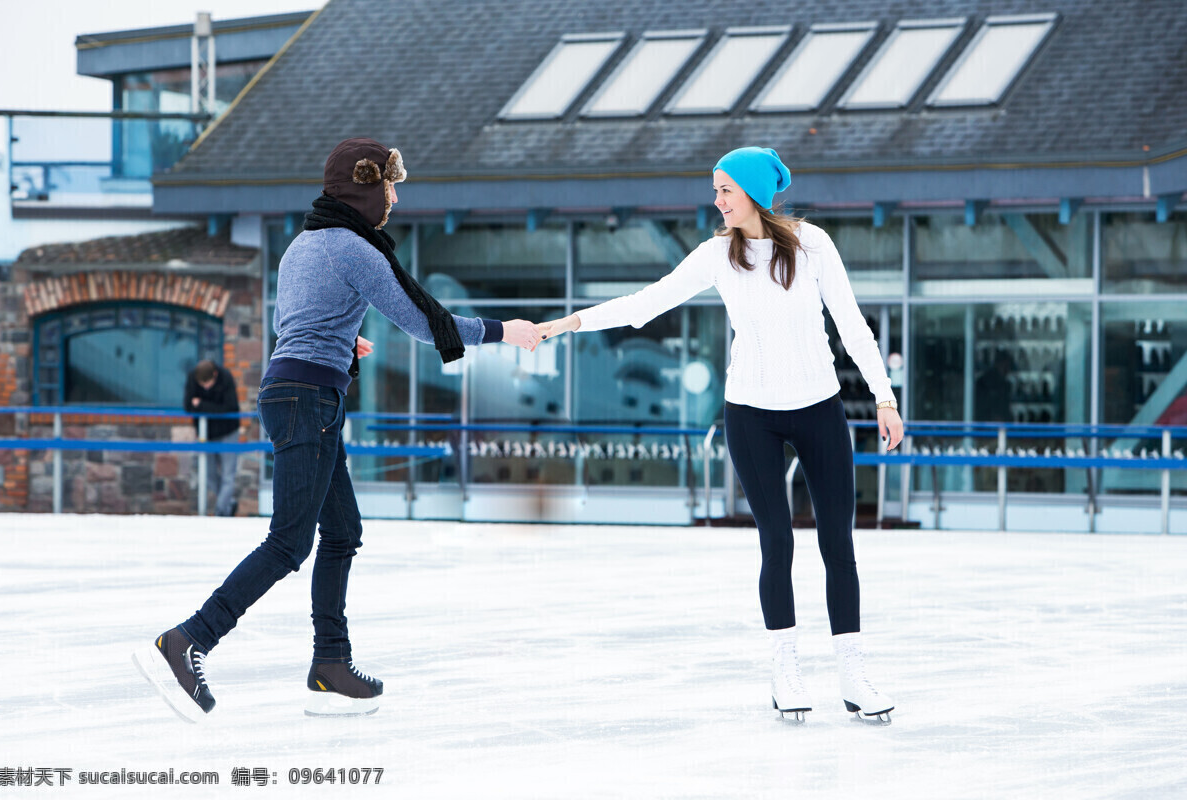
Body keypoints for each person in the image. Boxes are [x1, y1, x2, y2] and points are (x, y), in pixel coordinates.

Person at [134, 138, 541, 722]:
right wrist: (508, 332)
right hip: (308, 400)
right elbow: (428, 324)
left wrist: (343, 343)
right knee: (289, 542)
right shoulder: (355, 250)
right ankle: (189, 639)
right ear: (364, 186)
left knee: (343, 530)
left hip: (299, 392)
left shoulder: (302, 244)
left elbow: (296, 322)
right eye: (390, 187)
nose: (395, 199)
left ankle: (330, 664)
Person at [538, 147, 904, 724]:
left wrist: (884, 396)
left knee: (838, 542)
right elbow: (646, 303)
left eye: (725, 190)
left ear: (754, 192)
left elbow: (852, 325)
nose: (716, 200)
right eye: (716, 189)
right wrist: (570, 322)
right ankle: (786, 668)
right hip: (750, 413)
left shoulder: (813, 246)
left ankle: (853, 672)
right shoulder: (717, 255)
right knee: (777, 542)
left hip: (819, 407)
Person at [184, 359, 241, 516]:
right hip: (205, 434)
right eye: (202, 385)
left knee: (228, 475)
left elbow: (230, 408)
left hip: (228, 432)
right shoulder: (192, 377)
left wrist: (201, 404)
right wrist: (211, 408)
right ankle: (229, 504)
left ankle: (220, 513)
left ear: (215, 375)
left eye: (208, 384)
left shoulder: (226, 377)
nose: (205, 388)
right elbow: (188, 406)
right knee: (208, 474)